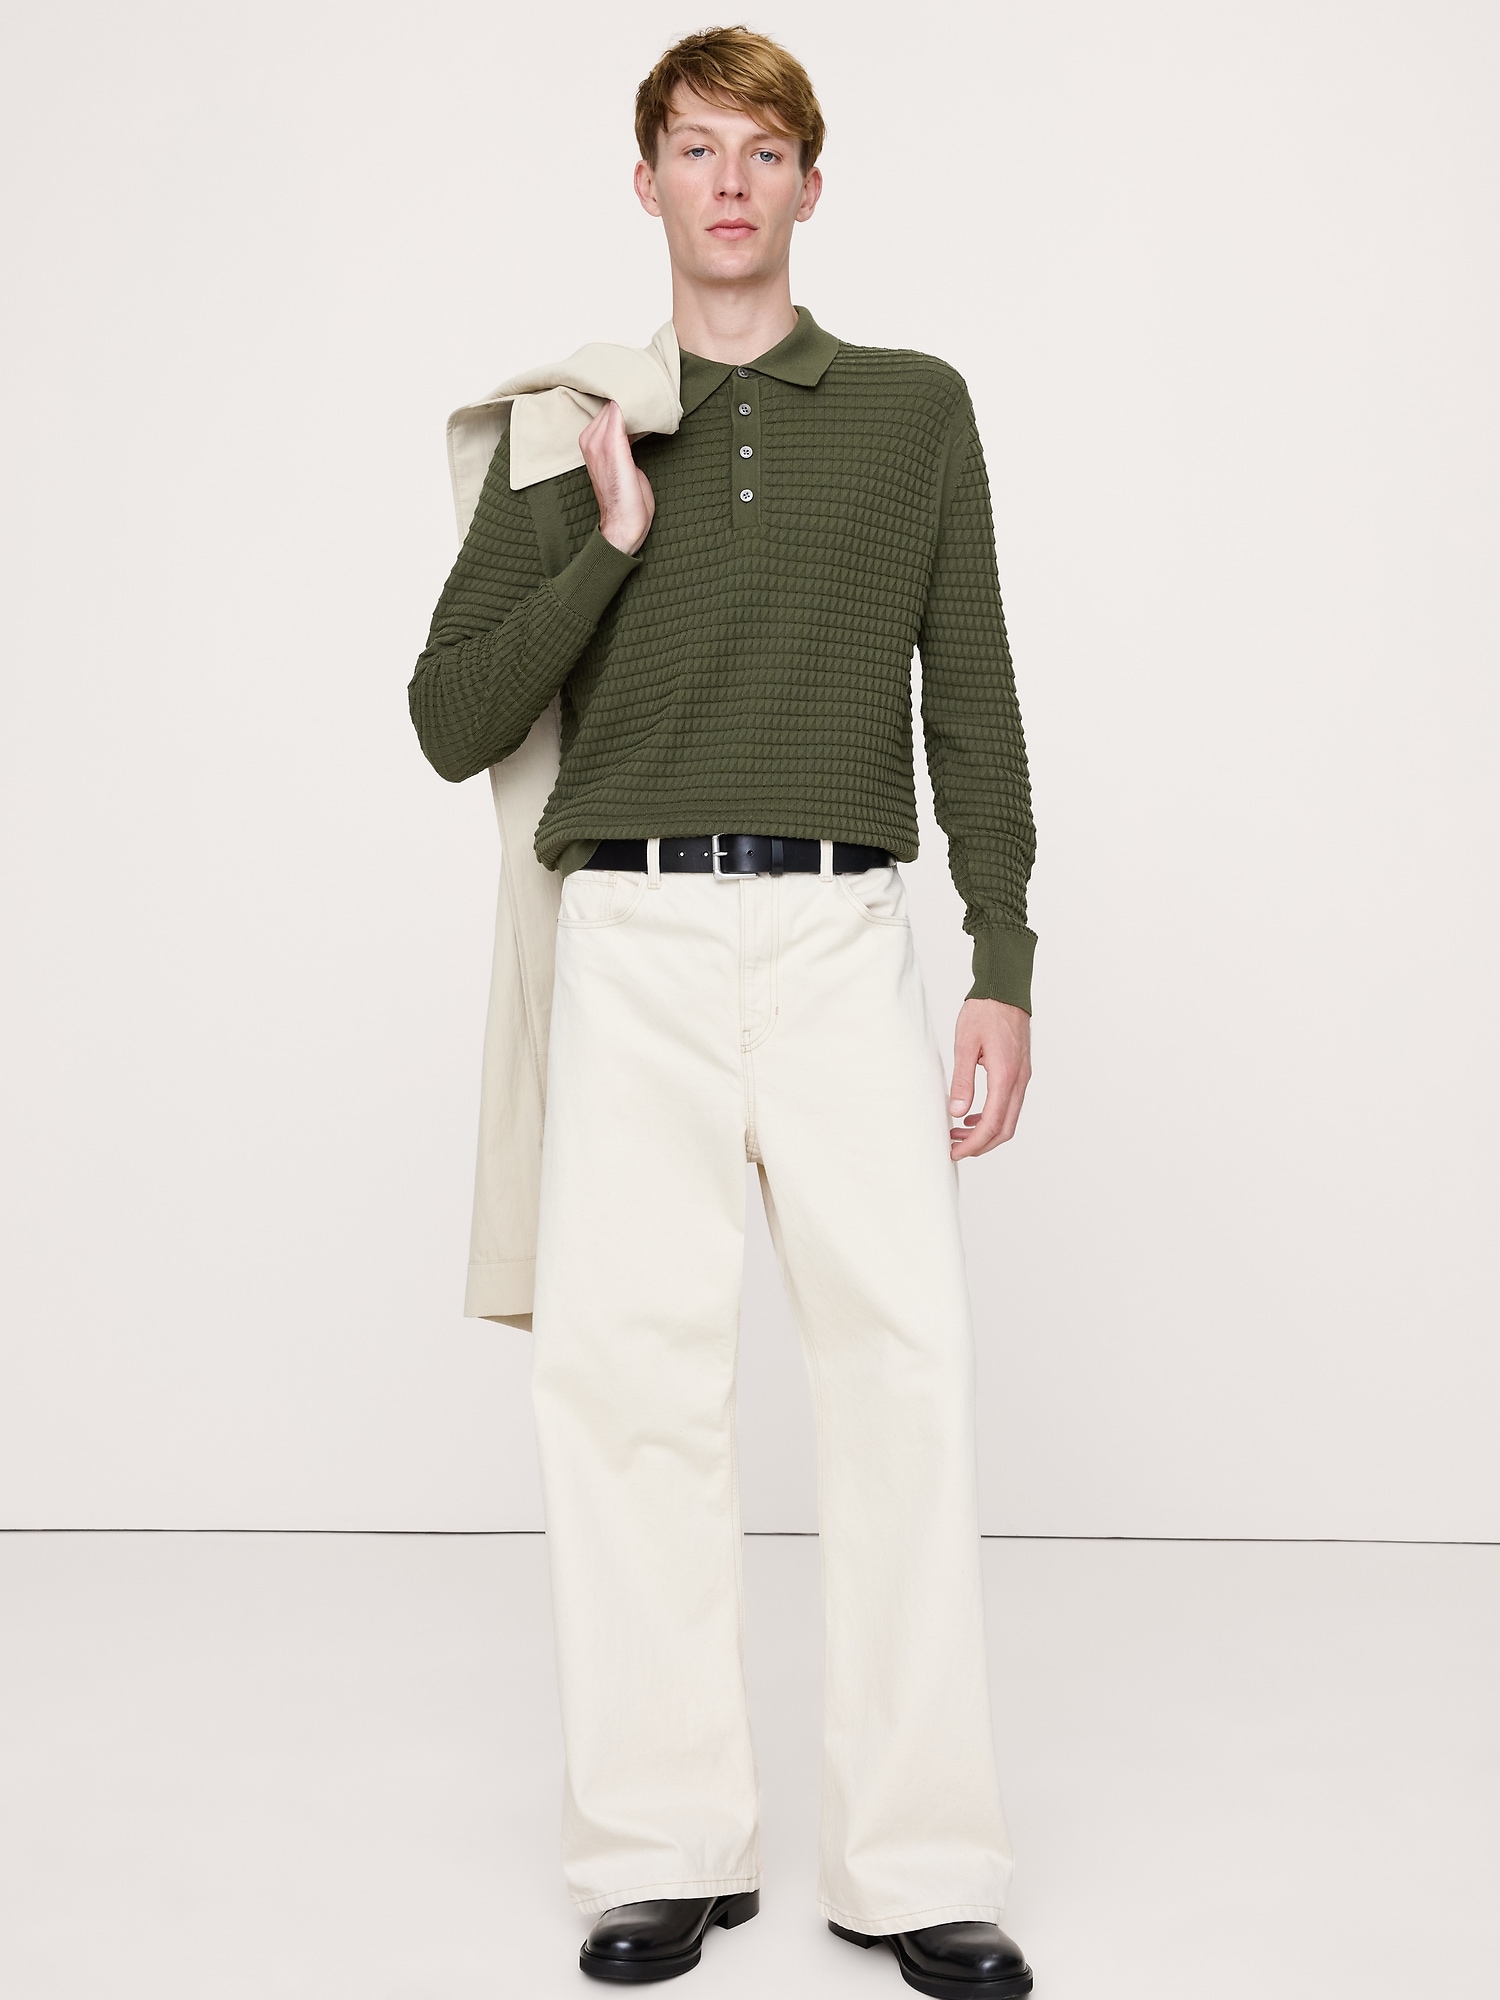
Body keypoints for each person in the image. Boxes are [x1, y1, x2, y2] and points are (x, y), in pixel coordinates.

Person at [409, 27, 1037, 1997]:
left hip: (846, 932)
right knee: (630, 1395)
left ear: (811, 186)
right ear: (648, 184)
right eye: (696, 149)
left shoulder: (917, 410)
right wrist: (609, 545)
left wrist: (1003, 958)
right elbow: (449, 717)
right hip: (638, 941)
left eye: (764, 150)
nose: (732, 182)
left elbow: (974, 700)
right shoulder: (575, 429)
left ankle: (918, 1863)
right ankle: (662, 1847)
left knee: (907, 1379)